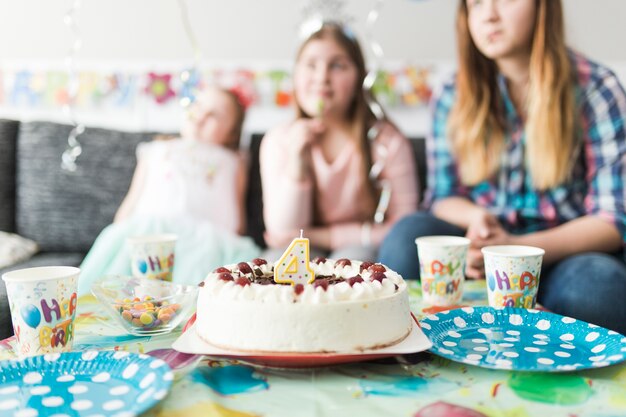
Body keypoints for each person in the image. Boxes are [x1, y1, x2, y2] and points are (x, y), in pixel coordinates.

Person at [379, 0, 626, 333]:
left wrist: (515, 247)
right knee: (404, 238)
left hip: (561, 253)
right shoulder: (452, 93)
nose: (489, 15)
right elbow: (442, 195)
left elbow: (611, 221)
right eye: (476, 3)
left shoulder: (596, 88)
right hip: (480, 243)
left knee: (598, 290)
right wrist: (476, 224)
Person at [77, 86, 261, 295]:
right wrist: (120, 229)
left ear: (231, 134)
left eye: (214, 115)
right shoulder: (157, 149)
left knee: (202, 282)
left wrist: (231, 238)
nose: (201, 116)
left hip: (204, 241)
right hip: (149, 230)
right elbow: (133, 199)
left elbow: (235, 212)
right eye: (198, 106)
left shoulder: (232, 161)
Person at [260, 21, 419, 262]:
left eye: (337, 65)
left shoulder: (387, 143)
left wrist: (321, 237)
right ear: (295, 76)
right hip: (297, 250)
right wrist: (296, 163)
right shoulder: (278, 141)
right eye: (311, 65)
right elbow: (282, 234)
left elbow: (403, 228)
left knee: (354, 261)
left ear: (359, 80)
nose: (322, 77)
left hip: (359, 250)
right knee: (277, 263)